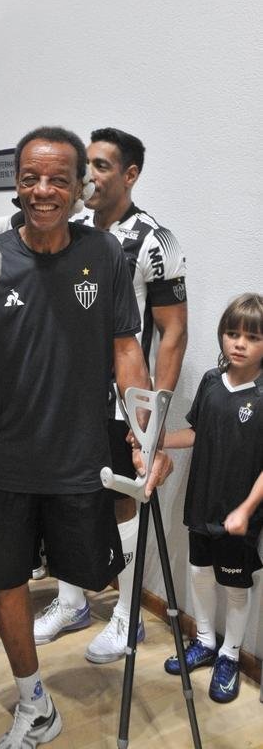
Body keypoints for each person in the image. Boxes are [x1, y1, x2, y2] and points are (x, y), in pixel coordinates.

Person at [0, 126, 173, 748]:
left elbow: (128, 348)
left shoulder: (108, 255)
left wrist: (145, 438)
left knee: (92, 577)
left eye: (58, 179)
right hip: (0, 457)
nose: (43, 190)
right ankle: (33, 703)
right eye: (31, 178)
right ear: (16, 184)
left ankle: (108, 627)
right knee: (7, 582)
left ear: (80, 187)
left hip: (79, 457)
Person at [33, 128, 188, 658]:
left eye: (101, 166)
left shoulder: (153, 240)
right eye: (88, 166)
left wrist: (153, 416)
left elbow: (173, 331)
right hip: (65, 398)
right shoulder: (68, 228)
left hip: (123, 403)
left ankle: (127, 615)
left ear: (130, 175)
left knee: (125, 504)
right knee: (68, 498)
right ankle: (72, 599)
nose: (91, 177)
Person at [162, 293, 263, 704]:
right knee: (199, 571)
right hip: (201, 504)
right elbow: (198, 433)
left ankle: (231, 656)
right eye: (232, 333)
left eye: (252, 337)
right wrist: (161, 442)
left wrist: (245, 509)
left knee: (234, 585)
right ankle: (204, 640)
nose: (239, 343)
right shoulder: (209, 381)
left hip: (238, 515)